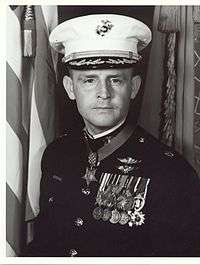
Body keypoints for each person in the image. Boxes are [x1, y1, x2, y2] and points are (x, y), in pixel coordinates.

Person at [26, 14, 200, 257]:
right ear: (69, 88)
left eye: (115, 80)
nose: (103, 94)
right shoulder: (56, 154)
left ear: (134, 87)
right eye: (89, 80)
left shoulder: (170, 172)